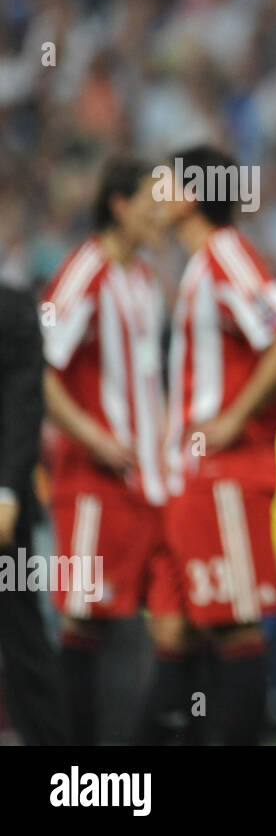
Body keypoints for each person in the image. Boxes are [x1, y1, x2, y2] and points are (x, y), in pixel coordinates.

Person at [160, 145, 276, 744]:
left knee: (234, 628)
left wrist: (230, 417)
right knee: (181, 628)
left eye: (167, 182)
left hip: (223, 472)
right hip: (196, 474)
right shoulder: (203, 261)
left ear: (194, 192)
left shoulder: (224, 252)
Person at [39, 158, 186, 745]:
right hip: (94, 487)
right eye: (154, 203)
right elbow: (38, 366)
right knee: (85, 618)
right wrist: (92, 435)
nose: (165, 216)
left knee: (164, 626)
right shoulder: (84, 273)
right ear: (120, 205)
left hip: (152, 485)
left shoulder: (146, 281)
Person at [0, 282, 68, 745]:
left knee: (22, 637)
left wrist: (5, 492)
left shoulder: (13, 311)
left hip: (4, 507)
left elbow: (25, 403)